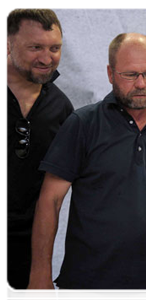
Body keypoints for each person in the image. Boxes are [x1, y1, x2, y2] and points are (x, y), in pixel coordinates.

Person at [24, 33, 146, 300]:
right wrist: (40, 276)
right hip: (85, 286)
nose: (141, 84)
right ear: (110, 73)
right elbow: (50, 201)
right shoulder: (83, 123)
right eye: (130, 74)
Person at [5, 8, 74, 300]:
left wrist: (41, 274)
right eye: (35, 47)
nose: (47, 58)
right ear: (6, 44)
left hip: (30, 255)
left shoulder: (62, 110)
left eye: (54, 48)